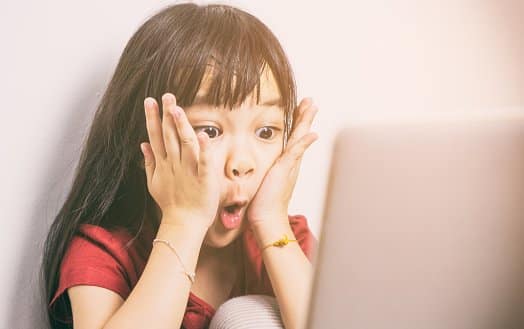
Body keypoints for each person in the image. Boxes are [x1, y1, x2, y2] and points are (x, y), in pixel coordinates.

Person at [41, 2, 319, 329]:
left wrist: (272, 221)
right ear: (145, 142)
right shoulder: (106, 252)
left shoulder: (285, 240)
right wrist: (183, 221)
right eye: (210, 131)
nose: (242, 163)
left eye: (266, 132)